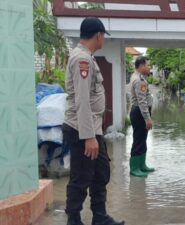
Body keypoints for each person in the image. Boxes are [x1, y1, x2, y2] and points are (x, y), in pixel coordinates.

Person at [62, 17, 124, 225]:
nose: (104, 39)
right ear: (98, 35)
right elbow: (82, 101)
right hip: (82, 130)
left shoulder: (88, 57)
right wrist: (88, 137)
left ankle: (99, 216)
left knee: (100, 173)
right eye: (103, 35)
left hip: (93, 128)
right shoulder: (82, 59)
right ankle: (73, 220)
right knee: (81, 178)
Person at [129, 56, 155, 177]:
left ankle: (142, 165)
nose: (149, 67)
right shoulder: (139, 80)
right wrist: (147, 118)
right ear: (141, 66)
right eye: (148, 65)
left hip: (140, 112)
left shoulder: (139, 78)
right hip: (139, 112)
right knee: (138, 140)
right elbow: (142, 101)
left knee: (142, 139)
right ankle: (134, 168)